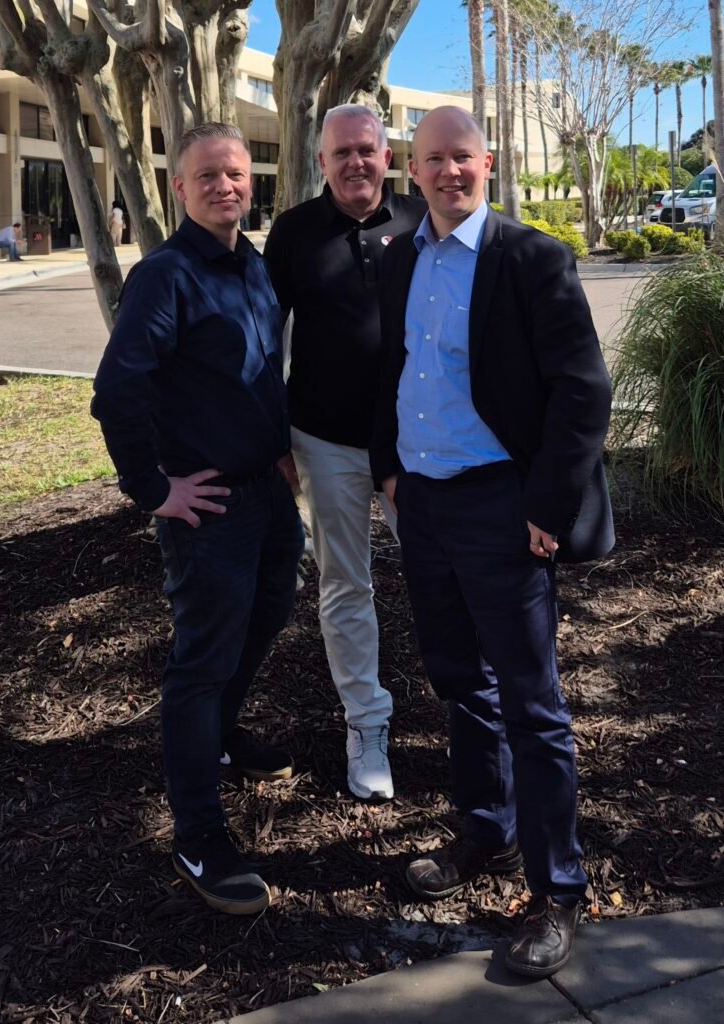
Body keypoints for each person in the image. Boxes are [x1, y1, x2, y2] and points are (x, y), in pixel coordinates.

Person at [371, 106, 614, 977]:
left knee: (528, 701)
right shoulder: (399, 259)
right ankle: (487, 835)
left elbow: (583, 389)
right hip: (423, 506)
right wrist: (388, 471)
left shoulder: (530, 257)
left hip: (502, 508)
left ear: (488, 162)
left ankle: (558, 890)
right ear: (412, 170)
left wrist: (546, 504)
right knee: (458, 682)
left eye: (461, 157)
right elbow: (389, 367)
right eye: (432, 159)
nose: (448, 172)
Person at [92, 123, 304, 916]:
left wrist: (280, 446)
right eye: (207, 175)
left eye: (236, 173)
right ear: (179, 189)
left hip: (267, 493)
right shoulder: (165, 276)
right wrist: (153, 491)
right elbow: (117, 392)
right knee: (201, 662)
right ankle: (197, 835)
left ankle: (219, 732)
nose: (225, 185)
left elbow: (259, 370)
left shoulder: (254, 264)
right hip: (207, 509)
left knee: (268, 617)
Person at [264, 105, 425, 801]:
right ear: (321, 161)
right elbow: (263, 337)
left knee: (442, 574)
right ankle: (366, 724)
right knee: (345, 587)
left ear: (387, 155)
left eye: (366, 149)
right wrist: (275, 437)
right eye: (341, 152)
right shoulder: (294, 232)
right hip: (324, 440)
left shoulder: (422, 219)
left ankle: (472, 714)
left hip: (417, 444)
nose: (355, 162)